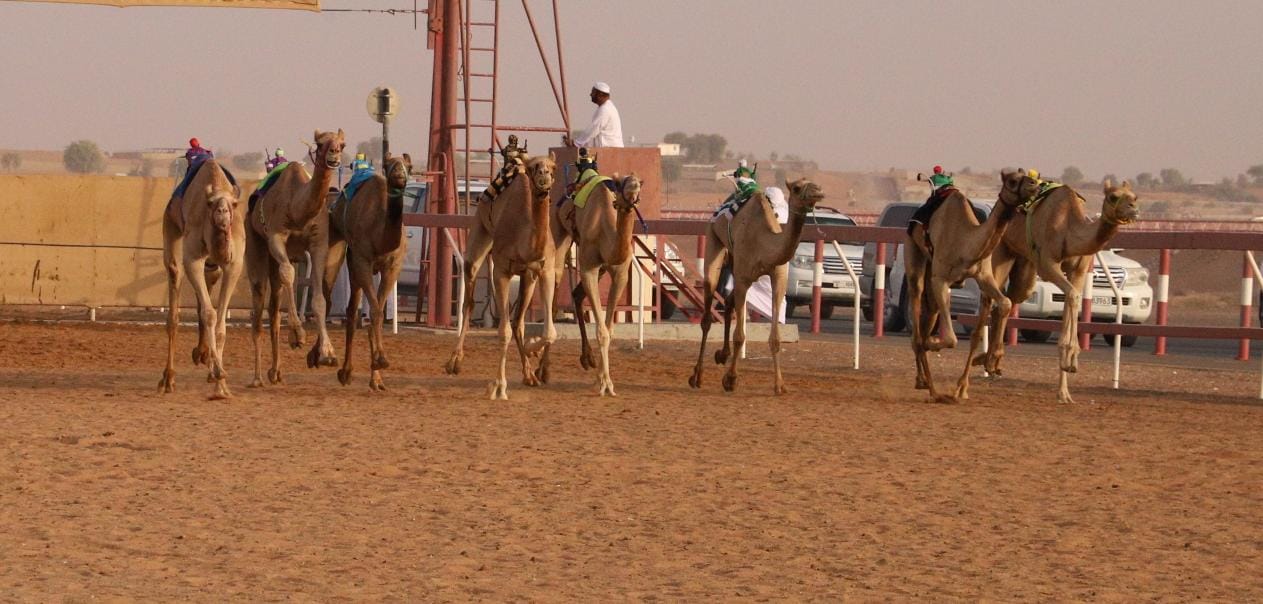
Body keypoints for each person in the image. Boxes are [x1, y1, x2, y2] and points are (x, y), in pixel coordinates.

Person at [565, 81, 623, 148]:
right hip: (610, 149)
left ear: (600, 94)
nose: (590, 94)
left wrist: (576, 143)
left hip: (609, 149)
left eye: (593, 92)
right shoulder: (607, 107)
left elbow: (593, 130)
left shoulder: (605, 109)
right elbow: (593, 135)